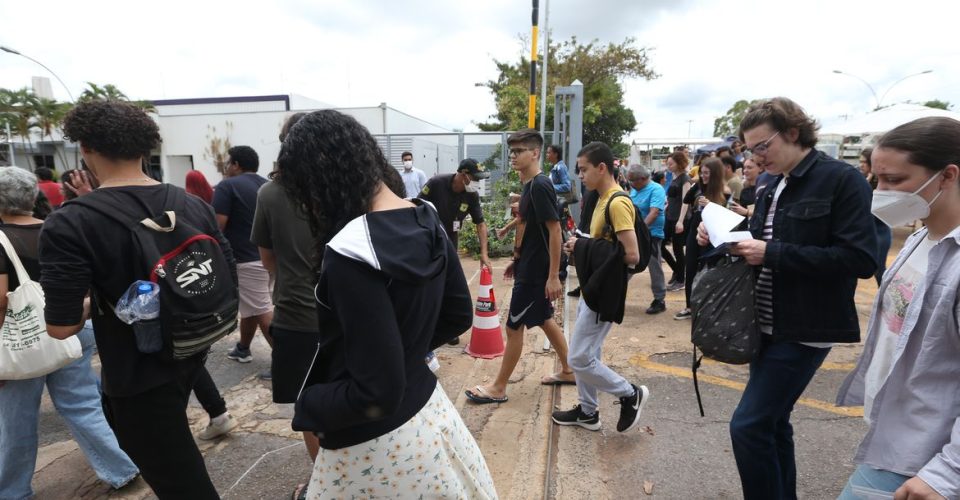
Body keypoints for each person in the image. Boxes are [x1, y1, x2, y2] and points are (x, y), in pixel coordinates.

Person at [277, 110, 497, 499]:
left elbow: (376, 393)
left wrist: (307, 402)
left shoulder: (350, 251)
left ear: (318, 181)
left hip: (376, 449)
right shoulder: (425, 216)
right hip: (429, 414)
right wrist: (405, 351)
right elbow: (457, 314)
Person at [40, 100, 231, 498]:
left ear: (86, 149)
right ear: (145, 148)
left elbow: (61, 326)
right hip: (192, 348)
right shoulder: (191, 203)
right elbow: (225, 267)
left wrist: (95, 303)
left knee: (181, 482)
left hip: (136, 374)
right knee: (177, 459)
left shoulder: (72, 221)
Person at [697, 97, 877, 500]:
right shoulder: (772, 184)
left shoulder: (840, 180)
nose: (758, 157)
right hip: (764, 321)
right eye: (751, 150)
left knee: (749, 425)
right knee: (774, 423)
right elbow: (762, 237)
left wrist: (771, 253)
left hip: (805, 325)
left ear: (793, 133)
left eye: (763, 146)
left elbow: (861, 258)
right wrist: (722, 236)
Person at [836, 116, 960, 500]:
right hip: (895, 430)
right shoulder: (919, 238)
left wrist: (947, 474)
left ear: (947, 176)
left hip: (927, 453)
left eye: (894, 180)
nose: (880, 191)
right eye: (877, 179)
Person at [0, 166, 140, 500]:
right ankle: (121, 469)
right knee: (83, 405)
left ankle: (13, 490)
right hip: (72, 326)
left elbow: (0, 301)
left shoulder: (1, 238)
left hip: (22, 341)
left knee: (16, 420)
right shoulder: (56, 227)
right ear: (32, 196)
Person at [465, 129, 574, 402]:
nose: (513, 156)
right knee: (545, 319)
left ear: (535, 153)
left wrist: (552, 277)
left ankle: (498, 387)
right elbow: (527, 222)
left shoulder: (540, 185)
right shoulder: (529, 185)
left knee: (514, 327)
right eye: (511, 151)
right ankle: (569, 369)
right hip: (530, 266)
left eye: (519, 151)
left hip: (537, 273)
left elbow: (555, 231)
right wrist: (516, 256)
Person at [552, 142, 649, 432]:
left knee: (578, 357)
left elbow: (632, 255)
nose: (580, 176)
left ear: (601, 168)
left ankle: (629, 393)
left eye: (583, 170)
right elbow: (604, 244)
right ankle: (588, 411)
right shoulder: (601, 199)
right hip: (592, 286)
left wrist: (582, 246)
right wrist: (581, 245)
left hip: (603, 291)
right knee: (588, 354)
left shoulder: (617, 202)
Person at [250, 112, 321, 493]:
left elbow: (268, 261)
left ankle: (325, 482)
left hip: (296, 315)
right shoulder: (347, 189)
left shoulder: (271, 194)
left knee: (308, 407)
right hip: (350, 314)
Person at [418, 158, 492, 346]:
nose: (478, 182)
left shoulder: (471, 195)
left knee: (448, 285)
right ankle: (423, 325)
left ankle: (447, 328)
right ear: (463, 174)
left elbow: (481, 224)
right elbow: (417, 207)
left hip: (450, 244)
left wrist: (484, 252)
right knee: (427, 284)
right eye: (475, 178)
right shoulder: (437, 184)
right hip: (428, 242)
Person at [213, 145, 275, 366]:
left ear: (236, 165)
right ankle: (243, 348)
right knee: (251, 307)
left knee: (261, 308)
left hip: (245, 258)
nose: (227, 168)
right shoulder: (267, 185)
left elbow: (217, 225)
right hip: (270, 258)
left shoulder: (227, 186)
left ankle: (287, 361)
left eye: (228, 163)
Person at [674, 158, 730, 320]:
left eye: (707, 173)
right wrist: (696, 188)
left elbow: (728, 215)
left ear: (715, 174)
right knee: (690, 267)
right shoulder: (698, 186)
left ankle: (708, 305)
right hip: (694, 230)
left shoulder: (724, 190)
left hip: (713, 234)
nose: (703, 176)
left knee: (709, 269)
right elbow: (686, 200)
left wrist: (712, 204)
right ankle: (690, 307)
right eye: (702, 173)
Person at [627, 165, 667, 314]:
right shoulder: (635, 189)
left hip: (651, 234)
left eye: (633, 181)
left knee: (654, 266)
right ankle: (616, 291)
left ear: (643, 179)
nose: (630, 184)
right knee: (629, 263)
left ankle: (659, 299)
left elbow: (654, 212)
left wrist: (640, 231)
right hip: (635, 233)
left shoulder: (656, 189)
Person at [859, 147, 893, 285]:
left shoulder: (881, 184)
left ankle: (885, 296)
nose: (861, 165)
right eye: (860, 161)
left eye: (864, 162)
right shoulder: (859, 179)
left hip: (880, 231)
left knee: (878, 269)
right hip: (865, 232)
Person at [664, 152, 691, 291]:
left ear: (679, 163)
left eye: (671, 163)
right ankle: (678, 271)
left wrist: (680, 221)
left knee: (677, 249)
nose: (668, 166)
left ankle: (681, 279)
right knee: (662, 246)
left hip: (679, 219)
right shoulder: (674, 177)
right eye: (668, 163)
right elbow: (673, 198)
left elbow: (686, 202)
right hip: (670, 216)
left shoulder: (685, 178)